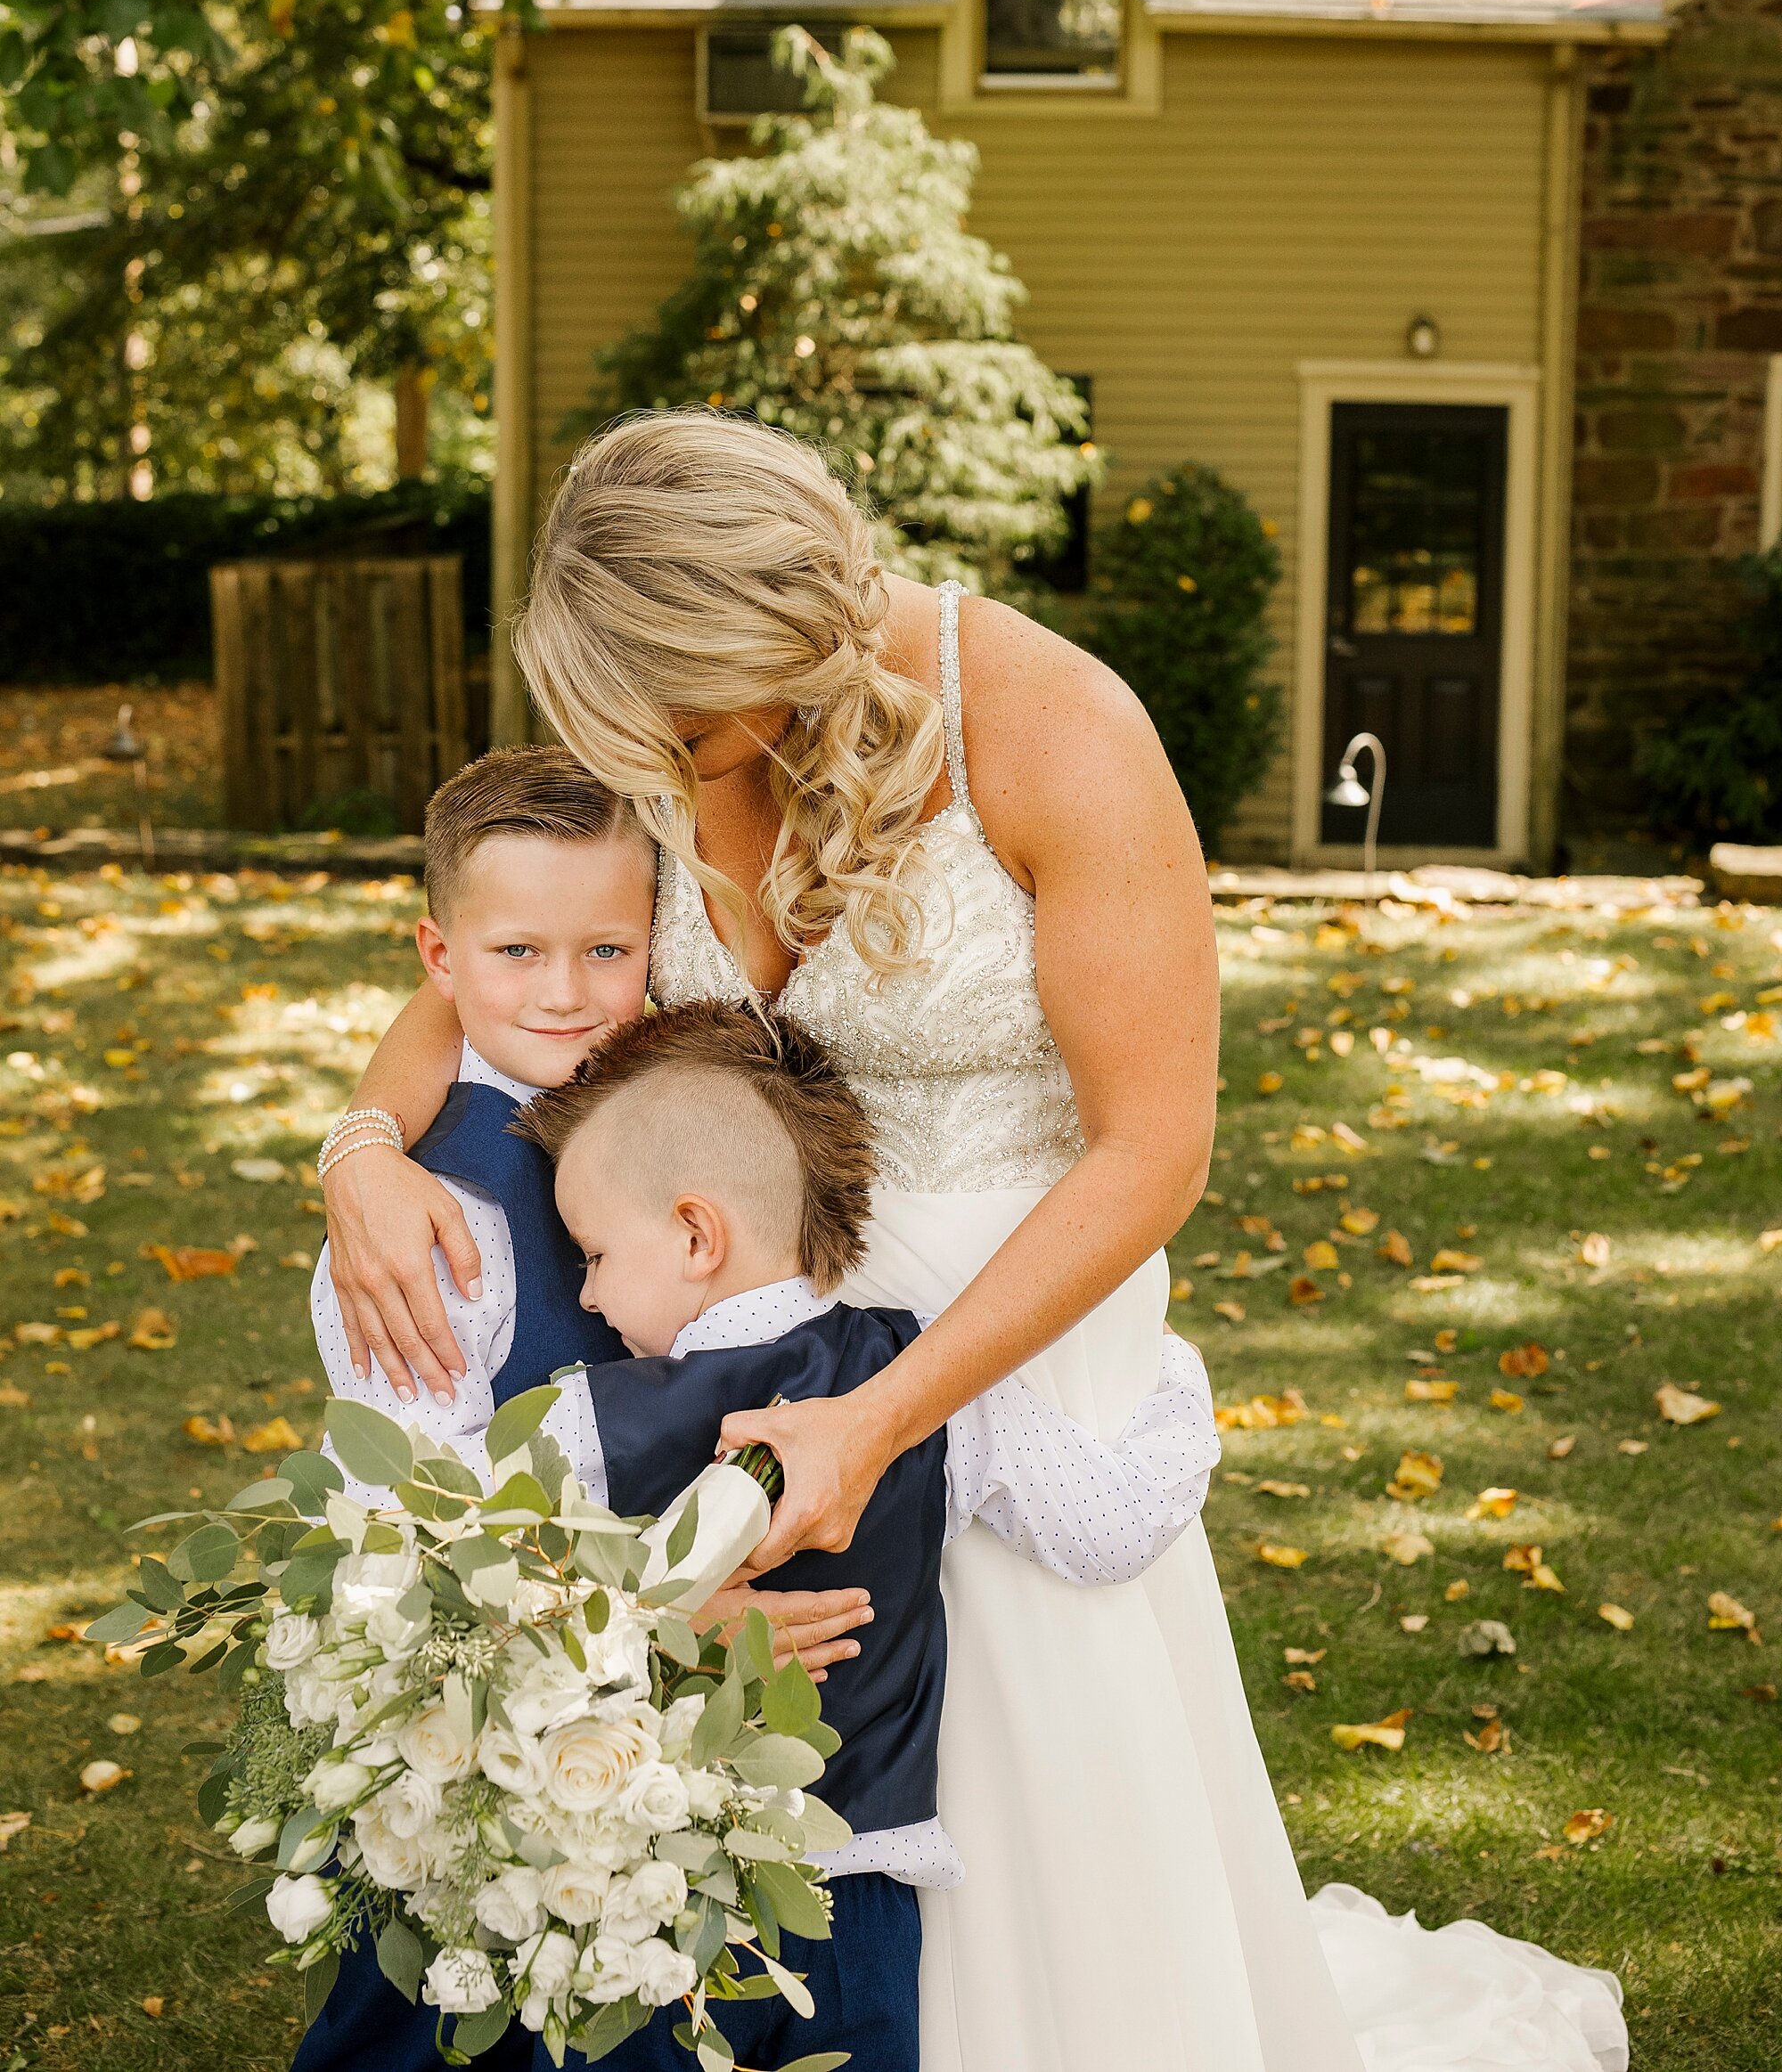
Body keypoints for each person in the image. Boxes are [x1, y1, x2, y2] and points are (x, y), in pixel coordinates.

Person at [321, 412, 1630, 2072]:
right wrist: (359, 1145)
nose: (649, 754)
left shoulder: (1058, 730)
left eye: (681, 715)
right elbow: (491, 971)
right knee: (777, 1798)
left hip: (1008, 1353)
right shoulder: (654, 714)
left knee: (1032, 1832)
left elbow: (1157, 1146)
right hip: (751, 1369)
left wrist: (886, 1413)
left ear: (774, 632)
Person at [295, 748, 872, 2072]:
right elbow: (419, 1531)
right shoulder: (434, 1234)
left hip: (657, 1713)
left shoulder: (658, 1102)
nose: (567, 994)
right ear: (441, 958)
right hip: (510, 1690)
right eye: (520, 956)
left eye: (608, 951)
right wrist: (649, 1621)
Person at [511, 995, 1221, 2068]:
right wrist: (1166, 1374)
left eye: (596, 1252)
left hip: (643, 1879)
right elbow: (1103, 1527)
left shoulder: (589, 1419)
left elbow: (476, 1571)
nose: (588, 1291)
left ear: (695, 1232)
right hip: (855, 1888)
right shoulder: (927, 1380)